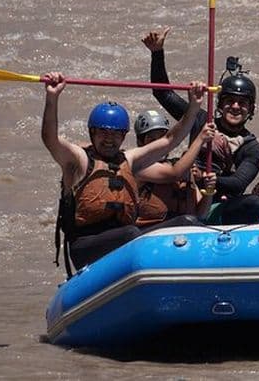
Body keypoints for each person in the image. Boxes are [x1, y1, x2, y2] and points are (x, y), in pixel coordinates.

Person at [42, 71, 207, 275]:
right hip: (86, 246)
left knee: (187, 222)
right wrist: (52, 97)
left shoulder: (129, 160)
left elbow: (168, 140)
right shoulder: (78, 160)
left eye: (115, 134)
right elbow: (50, 139)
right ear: (92, 132)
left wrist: (193, 107)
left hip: (126, 239)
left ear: (123, 136)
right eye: (103, 132)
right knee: (130, 233)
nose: (109, 139)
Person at [142, 26, 259, 225]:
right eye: (229, 101)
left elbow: (237, 184)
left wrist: (205, 177)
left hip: (217, 202)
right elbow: (163, 94)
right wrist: (157, 53)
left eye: (242, 103)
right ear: (220, 104)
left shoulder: (252, 148)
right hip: (187, 195)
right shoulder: (201, 120)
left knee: (255, 204)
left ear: (250, 109)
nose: (235, 107)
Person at [133, 109, 218, 221]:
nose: (158, 145)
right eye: (152, 140)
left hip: (184, 228)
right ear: (140, 142)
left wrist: (209, 190)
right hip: (152, 230)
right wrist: (200, 139)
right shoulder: (138, 168)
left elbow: (201, 215)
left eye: (162, 138)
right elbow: (175, 173)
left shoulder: (185, 170)